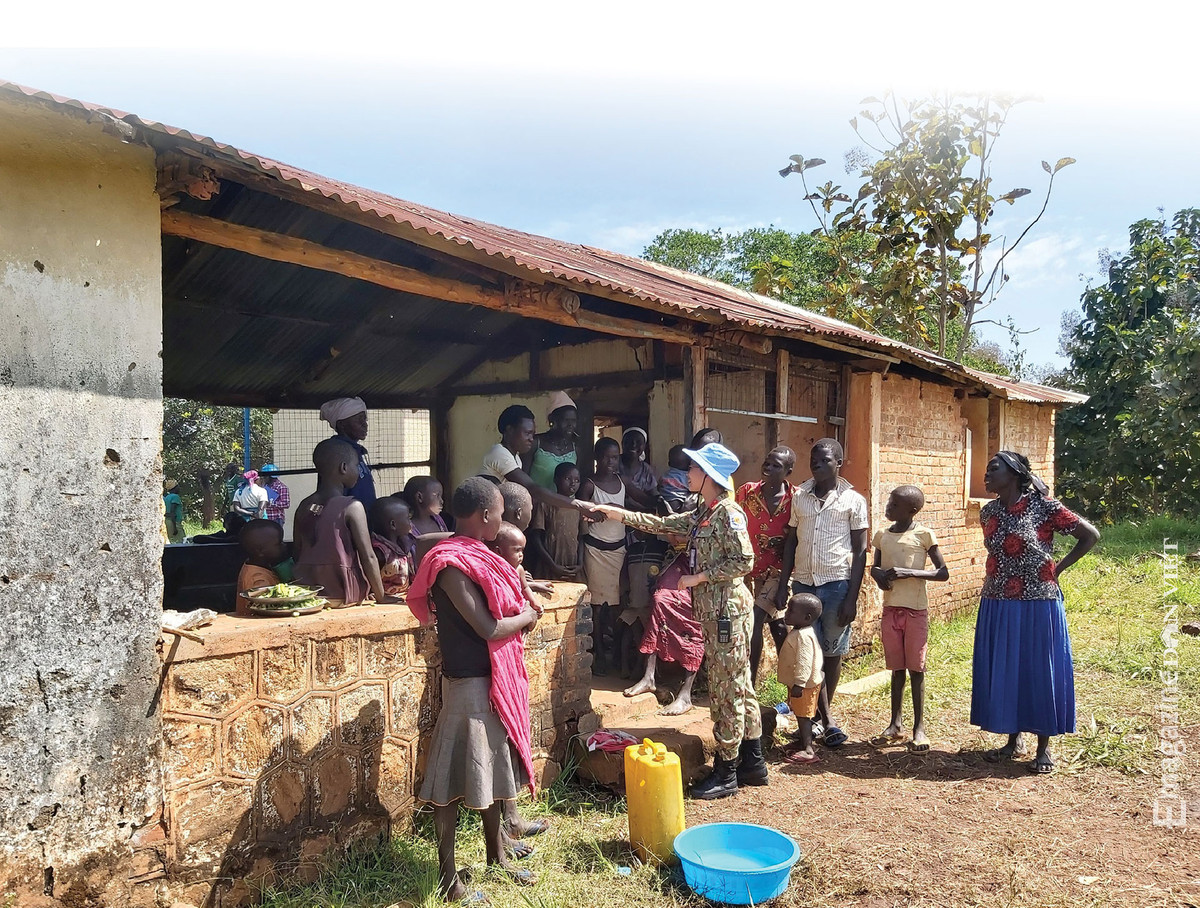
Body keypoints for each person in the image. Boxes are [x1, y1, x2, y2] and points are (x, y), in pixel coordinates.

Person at [591, 443, 765, 800]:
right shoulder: (706, 511)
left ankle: (727, 770)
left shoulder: (728, 514)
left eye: (695, 468)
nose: (688, 473)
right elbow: (665, 523)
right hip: (717, 612)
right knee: (740, 685)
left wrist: (699, 578)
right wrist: (615, 513)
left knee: (725, 689)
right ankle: (753, 762)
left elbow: (745, 560)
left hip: (726, 613)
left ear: (710, 477)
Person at [406, 478, 540, 901]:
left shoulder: (471, 553)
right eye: (499, 512)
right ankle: (448, 880)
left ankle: (495, 854)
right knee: (447, 786)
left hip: (492, 681)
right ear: (485, 516)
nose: (502, 521)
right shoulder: (451, 566)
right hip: (467, 687)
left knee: (495, 773)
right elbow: (488, 627)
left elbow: (440, 537)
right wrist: (528, 617)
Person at [973, 451, 1099, 774]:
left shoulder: (1045, 507)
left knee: (1038, 670)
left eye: (994, 469)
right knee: (1009, 669)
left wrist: (1059, 569)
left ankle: (1043, 748)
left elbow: (1090, 536)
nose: (987, 474)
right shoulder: (988, 512)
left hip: (1038, 602)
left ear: (1015, 474)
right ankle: (1012, 740)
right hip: (998, 600)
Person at [775, 438, 868, 749]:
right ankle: (819, 719)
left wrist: (852, 597)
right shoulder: (799, 497)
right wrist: (782, 584)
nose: (816, 464)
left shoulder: (853, 501)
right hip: (804, 586)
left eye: (824, 460)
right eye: (813, 459)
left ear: (838, 463)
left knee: (831, 653)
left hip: (836, 585)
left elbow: (860, 551)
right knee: (807, 655)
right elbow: (790, 543)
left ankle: (820, 717)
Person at [869, 485, 949, 753]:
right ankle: (895, 723)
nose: (888, 507)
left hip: (915, 611)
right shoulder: (882, 535)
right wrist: (878, 575)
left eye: (895, 504)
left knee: (916, 669)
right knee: (896, 669)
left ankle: (919, 728)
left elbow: (942, 573)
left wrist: (909, 573)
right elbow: (875, 567)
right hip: (891, 610)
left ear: (912, 510)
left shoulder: (924, 535)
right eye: (890, 502)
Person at [293, 438, 396, 607]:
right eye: (356, 466)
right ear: (343, 468)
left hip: (306, 593)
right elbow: (368, 556)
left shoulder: (304, 505)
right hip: (341, 594)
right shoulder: (352, 506)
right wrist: (381, 596)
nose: (358, 470)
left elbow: (297, 552)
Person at [735, 446, 796, 685]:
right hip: (748, 569)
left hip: (778, 571)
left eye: (776, 466)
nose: (768, 468)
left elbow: (794, 540)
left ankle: (749, 683)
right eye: (767, 463)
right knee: (778, 626)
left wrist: (783, 586)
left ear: (788, 471)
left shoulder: (796, 499)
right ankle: (793, 682)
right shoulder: (747, 492)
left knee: (755, 618)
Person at [481, 404, 598, 522]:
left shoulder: (515, 457)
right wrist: (579, 505)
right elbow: (533, 488)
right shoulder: (499, 453)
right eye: (527, 433)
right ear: (509, 430)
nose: (531, 438)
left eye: (532, 434)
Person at [578, 437, 628, 675]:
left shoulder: (622, 482)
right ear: (597, 458)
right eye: (607, 457)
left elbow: (640, 501)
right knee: (597, 605)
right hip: (595, 550)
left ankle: (616, 653)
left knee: (617, 605)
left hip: (618, 550)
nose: (611, 461)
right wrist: (595, 513)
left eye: (615, 457)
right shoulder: (589, 485)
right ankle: (598, 655)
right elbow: (579, 511)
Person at [777, 593, 825, 765]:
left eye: (791, 610)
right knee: (800, 713)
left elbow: (804, 662)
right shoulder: (802, 631)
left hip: (804, 685)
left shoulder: (803, 636)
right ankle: (803, 743)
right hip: (800, 683)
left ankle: (809, 750)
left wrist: (799, 683)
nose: (787, 613)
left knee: (804, 716)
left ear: (807, 617)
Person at [528, 462, 582, 581]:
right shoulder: (546, 504)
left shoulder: (579, 507)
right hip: (549, 564)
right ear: (556, 480)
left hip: (571, 565)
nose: (573, 483)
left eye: (577, 480)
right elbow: (536, 537)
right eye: (568, 478)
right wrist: (552, 565)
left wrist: (580, 564)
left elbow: (581, 538)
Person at [319, 396, 376, 508]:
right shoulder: (337, 452)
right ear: (342, 424)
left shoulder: (356, 450)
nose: (365, 424)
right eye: (359, 420)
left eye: (364, 419)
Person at [525, 391, 579, 490]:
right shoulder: (535, 443)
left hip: (566, 504)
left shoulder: (575, 448)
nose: (571, 425)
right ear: (552, 420)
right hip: (538, 504)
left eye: (574, 421)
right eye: (566, 420)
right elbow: (523, 478)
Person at [234, 519, 288, 616]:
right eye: (279, 543)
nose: (284, 545)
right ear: (260, 551)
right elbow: (266, 609)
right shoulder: (258, 579)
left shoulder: (255, 565)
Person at [370, 496, 414, 600]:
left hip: (403, 595)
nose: (411, 523)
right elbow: (369, 575)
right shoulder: (379, 551)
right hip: (384, 598)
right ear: (393, 525)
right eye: (408, 518)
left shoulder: (406, 544)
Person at [402, 476, 448, 545]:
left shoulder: (438, 520)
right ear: (419, 497)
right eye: (437, 496)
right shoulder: (408, 528)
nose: (441, 501)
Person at [619, 427, 657, 509]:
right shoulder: (614, 464)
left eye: (639, 442)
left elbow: (652, 498)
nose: (634, 445)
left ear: (644, 446)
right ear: (622, 443)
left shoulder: (646, 470)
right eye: (629, 441)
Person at [657, 445, 692, 511]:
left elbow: (658, 486)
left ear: (669, 463)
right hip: (678, 502)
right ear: (689, 464)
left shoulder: (665, 474)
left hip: (664, 500)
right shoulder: (687, 476)